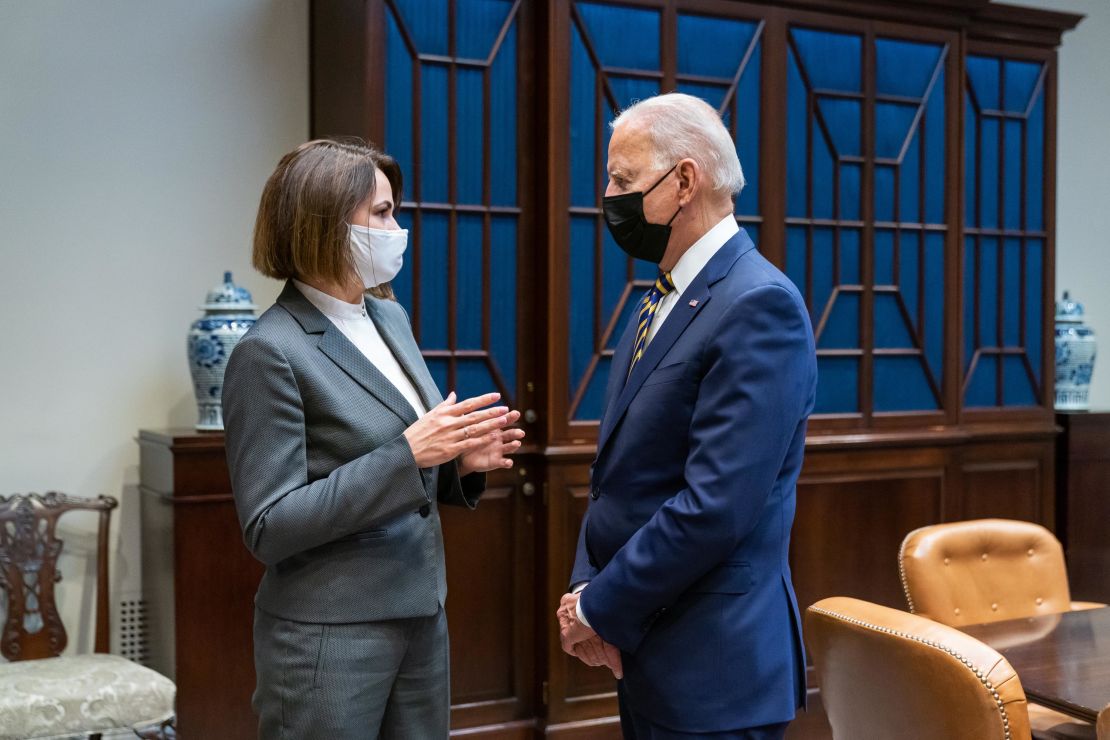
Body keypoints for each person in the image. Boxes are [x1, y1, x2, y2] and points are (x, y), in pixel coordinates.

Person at [223, 139, 525, 739]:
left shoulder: (389, 317)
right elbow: (269, 526)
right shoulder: (269, 350)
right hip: (328, 634)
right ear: (326, 224)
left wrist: (458, 465)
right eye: (382, 215)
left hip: (420, 613)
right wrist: (410, 454)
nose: (397, 228)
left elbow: (403, 463)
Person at [558, 93, 817, 739]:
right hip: (648, 643)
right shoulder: (664, 293)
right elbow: (622, 477)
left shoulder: (758, 304)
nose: (608, 196)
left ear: (683, 181)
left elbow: (716, 504)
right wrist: (590, 598)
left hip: (715, 668)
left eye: (622, 180)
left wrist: (601, 604)